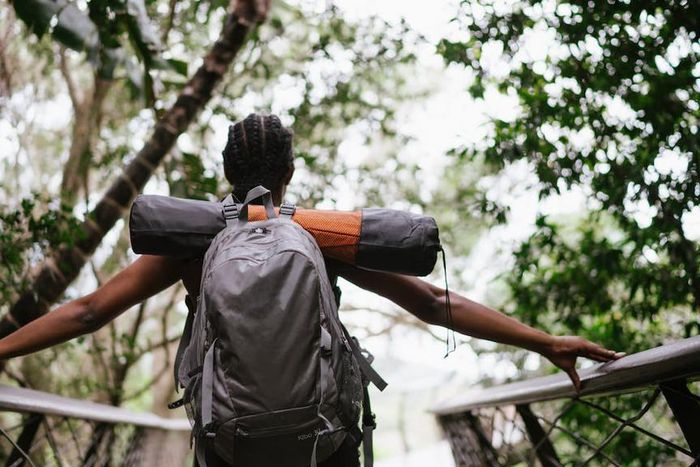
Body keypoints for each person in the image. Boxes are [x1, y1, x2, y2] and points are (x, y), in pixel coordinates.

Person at [0, 114, 623, 466]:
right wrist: (543, 342)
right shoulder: (321, 236)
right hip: (323, 441)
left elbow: (86, 313)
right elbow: (435, 303)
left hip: (230, 443)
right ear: (290, 172)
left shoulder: (195, 243)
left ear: (225, 174)